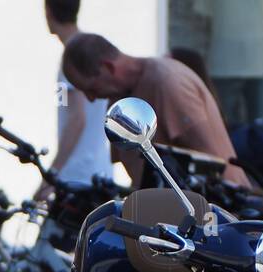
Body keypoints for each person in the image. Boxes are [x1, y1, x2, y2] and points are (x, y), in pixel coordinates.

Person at [61, 32, 248, 188]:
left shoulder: (167, 82)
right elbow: (140, 179)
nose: (91, 99)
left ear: (108, 68)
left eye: (91, 89)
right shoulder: (118, 104)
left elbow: (215, 165)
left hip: (215, 220)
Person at [45, 0, 112, 189]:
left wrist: (52, 174)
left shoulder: (72, 57)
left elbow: (76, 119)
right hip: (99, 171)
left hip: (76, 176)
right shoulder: (92, 50)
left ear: (48, 12)